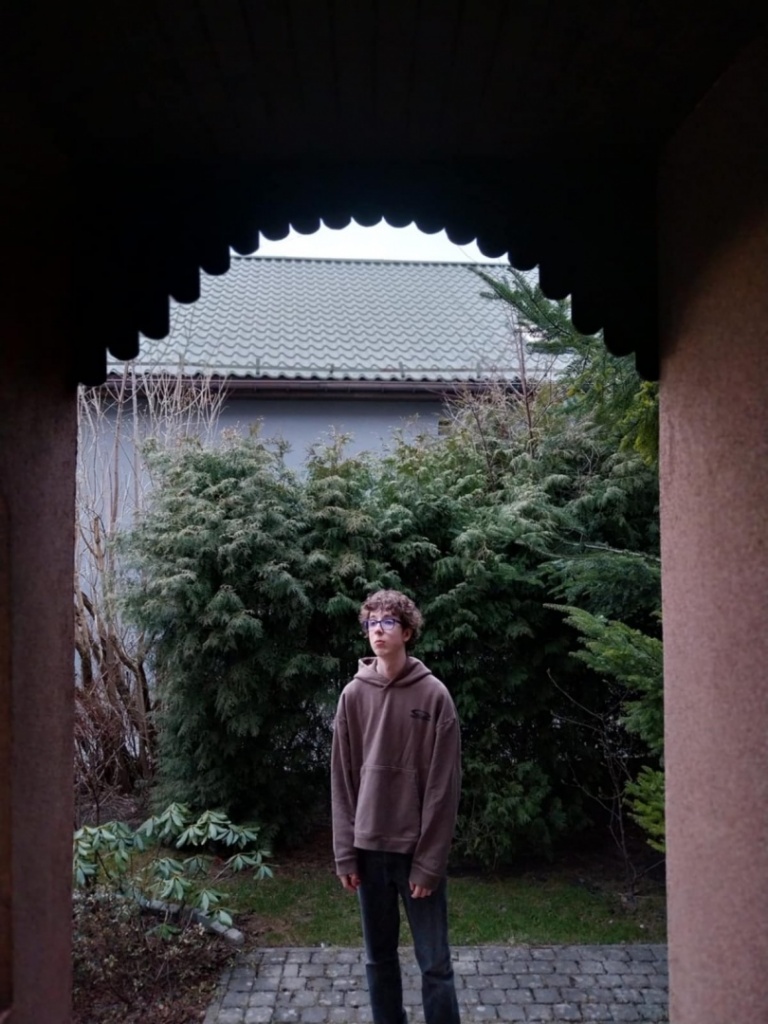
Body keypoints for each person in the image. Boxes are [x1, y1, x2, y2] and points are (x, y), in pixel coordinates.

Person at [331, 589, 462, 1024]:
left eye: (388, 622)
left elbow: (443, 789)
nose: (378, 630)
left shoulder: (435, 696)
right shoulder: (353, 695)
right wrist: (345, 853)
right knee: (378, 960)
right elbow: (342, 781)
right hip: (368, 852)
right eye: (372, 623)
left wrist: (429, 863)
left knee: (435, 965)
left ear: (407, 632)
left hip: (415, 853)